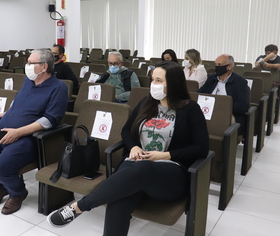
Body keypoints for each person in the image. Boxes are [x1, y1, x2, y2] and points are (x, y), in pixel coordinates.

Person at [47, 61, 209, 235]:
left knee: (143, 168)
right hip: (135, 163)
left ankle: (79, 206)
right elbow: (126, 131)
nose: (153, 84)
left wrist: (165, 155)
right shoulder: (147, 102)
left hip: (170, 173)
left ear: (174, 83)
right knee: (118, 200)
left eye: (159, 81)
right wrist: (134, 147)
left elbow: (202, 148)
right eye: (153, 80)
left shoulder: (190, 109)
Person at [0, 49, 68, 215]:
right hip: (2, 130)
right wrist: (9, 111)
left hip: (27, 138)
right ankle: (0, 187)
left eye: (31, 63)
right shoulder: (28, 81)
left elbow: (50, 120)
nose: (27, 66)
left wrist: (18, 132)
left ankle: (17, 193)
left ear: (44, 67)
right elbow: (19, 100)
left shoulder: (58, 88)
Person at [198, 54, 249, 134]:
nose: (216, 67)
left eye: (219, 65)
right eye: (215, 64)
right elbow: (199, 94)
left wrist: (221, 106)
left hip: (227, 114)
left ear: (229, 66)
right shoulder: (212, 78)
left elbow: (243, 106)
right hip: (207, 111)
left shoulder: (240, 82)